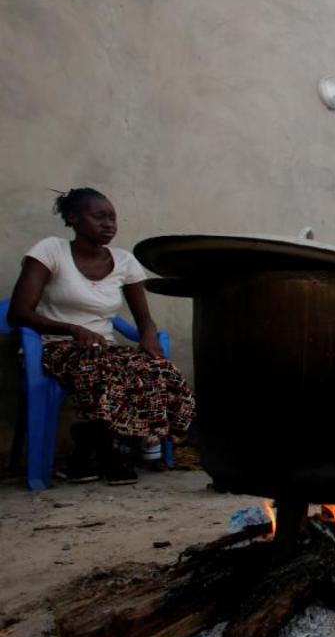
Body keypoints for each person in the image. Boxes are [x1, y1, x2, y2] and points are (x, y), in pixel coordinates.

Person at [7, 188, 196, 484]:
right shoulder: (50, 251)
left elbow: (144, 319)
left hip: (104, 349)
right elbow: (17, 313)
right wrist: (73, 329)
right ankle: (109, 452)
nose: (109, 224)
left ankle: (91, 444)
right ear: (74, 218)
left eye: (112, 218)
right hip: (54, 348)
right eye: (99, 217)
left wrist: (148, 337)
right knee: (98, 369)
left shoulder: (124, 261)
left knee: (161, 371)